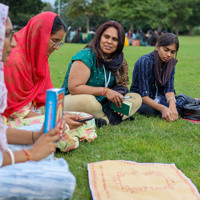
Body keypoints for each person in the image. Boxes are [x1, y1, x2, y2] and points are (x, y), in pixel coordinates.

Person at [0, 3, 75, 199]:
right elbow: (15, 111)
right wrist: (31, 154)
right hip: (18, 117)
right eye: (8, 35)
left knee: (48, 137)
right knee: (65, 183)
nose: (15, 42)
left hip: (20, 122)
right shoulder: (13, 60)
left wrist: (36, 137)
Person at [3, 12, 97, 151]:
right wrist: (54, 118)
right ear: (40, 35)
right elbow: (15, 110)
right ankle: (60, 137)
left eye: (60, 42)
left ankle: (60, 134)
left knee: (84, 118)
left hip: (34, 113)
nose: (57, 47)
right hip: (10, 120)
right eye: (54, 40)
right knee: (58, 125)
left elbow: (45, 99)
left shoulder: (38, 56)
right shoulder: (13, 57)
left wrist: (60, 115)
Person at [62, 21, 142, 126]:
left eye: (115, 39)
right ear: (99, 37)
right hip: (75, 99)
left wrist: (119, 99)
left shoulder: (119, 60)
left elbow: (121, 87)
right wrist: (105, 91)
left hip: (105, 101)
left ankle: (101, 119)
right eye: (106, 37)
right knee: (88, 102)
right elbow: (74, 88)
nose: (109, 41)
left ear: (120, 43)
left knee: (136, 98)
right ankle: (109, 118)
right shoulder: (86, 55)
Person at [130, 33, 182, 122]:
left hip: (159, 97)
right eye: (166, 50)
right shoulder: (145, 61)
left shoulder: (170, 63)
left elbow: (169, 89)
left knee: (177, 107)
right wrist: (163, 108)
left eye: (173, 52)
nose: (169, 55)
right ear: (157, 46)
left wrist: (172, 105)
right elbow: (143, 96)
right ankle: (162, 108)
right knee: (149, 111)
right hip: (142, 99)